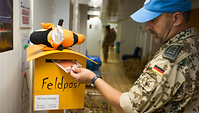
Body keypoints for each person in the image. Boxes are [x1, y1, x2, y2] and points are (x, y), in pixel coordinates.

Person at [70, 0, 199, 112]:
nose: (147, 26)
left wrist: (92, 78)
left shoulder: (170, 61)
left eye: (154, 20)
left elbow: (130, 107)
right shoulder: (193, 43)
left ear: (176, 19)